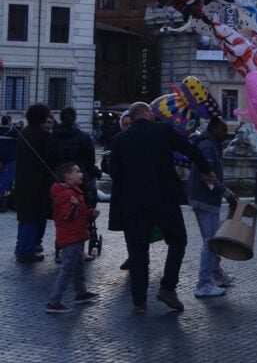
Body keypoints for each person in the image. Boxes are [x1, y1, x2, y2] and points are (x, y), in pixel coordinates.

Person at [108, 101, 214, 314]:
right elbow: (189, 149)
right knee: (178, 240)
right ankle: (168, 287)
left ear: (132, 117)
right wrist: (206, 169)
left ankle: (139, 301)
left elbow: (115, 175)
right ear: (148, 113)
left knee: (138, 252)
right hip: (164, 198)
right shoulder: (163, 130)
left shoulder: (119, 140)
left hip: (133, 203)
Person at [186, 116, 237, 298]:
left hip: (205, 198)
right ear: (214, 129)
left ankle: (216, 274)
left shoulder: (211, 144)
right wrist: (226, 192)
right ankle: (203, 283)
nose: (226, 133)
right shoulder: (208, 146)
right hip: (205, 200)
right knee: (210, 242)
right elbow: (207, 176)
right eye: (223, 130)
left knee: (213, 240)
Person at [46, 163, 99, 313]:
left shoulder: (73, 192)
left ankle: (81, 292)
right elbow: (66, 217)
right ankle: (54, 301)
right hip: (71, 237)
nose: (81, 174)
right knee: (68, 268)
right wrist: (74, 206)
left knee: (78, 264)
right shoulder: (65, 195)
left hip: (77, 234)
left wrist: (89, 213)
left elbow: (79, 215)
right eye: (77, 171)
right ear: (68, 176)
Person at [14, 103, 60, 263]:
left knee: (25, 218)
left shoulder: (24, 132)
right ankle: (25, 251)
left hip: (23, 181)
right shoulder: (42, 136)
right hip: (37, 183)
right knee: (32, 217)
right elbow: (53, 158)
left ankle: (22, 247)